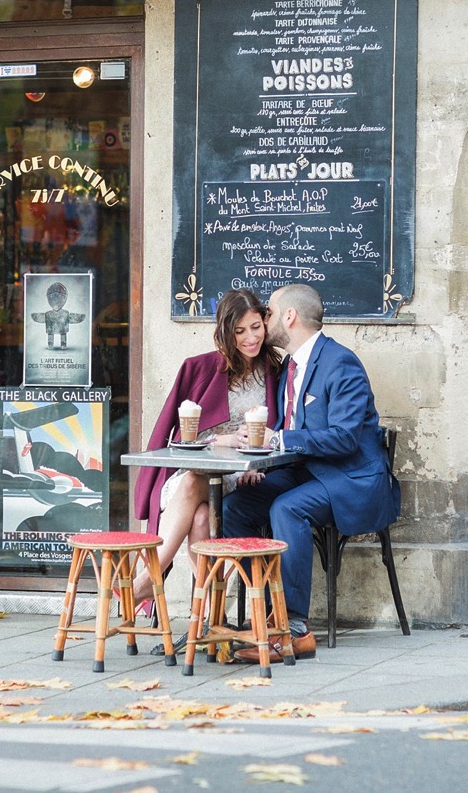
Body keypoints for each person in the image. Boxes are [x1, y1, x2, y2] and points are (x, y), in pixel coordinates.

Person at [222, 283, 400, 661]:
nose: (263, 319)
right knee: (237, 506)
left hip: (350, 479)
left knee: (286, 508)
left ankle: (294, 629)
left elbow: (345, 438)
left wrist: (280, 440)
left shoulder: (341, 362)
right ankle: (265, 610)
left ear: (290, 316)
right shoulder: (290, 365)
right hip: (309, 472)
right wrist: (260, 462)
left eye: (268, 312)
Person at [131, 288, 281, 606]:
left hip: (243, 476)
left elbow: (283, 430)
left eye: (256, 327)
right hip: (200, 471)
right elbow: (176, 439)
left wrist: (259, 466)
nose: (250, 338)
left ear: (265, 322)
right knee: (196, 501)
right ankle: (205, 620)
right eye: (239, 331)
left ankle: (152, 579)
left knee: (200, 508)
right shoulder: (201, 368)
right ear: (226, 333)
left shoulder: (275, 371)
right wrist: (220, 439)